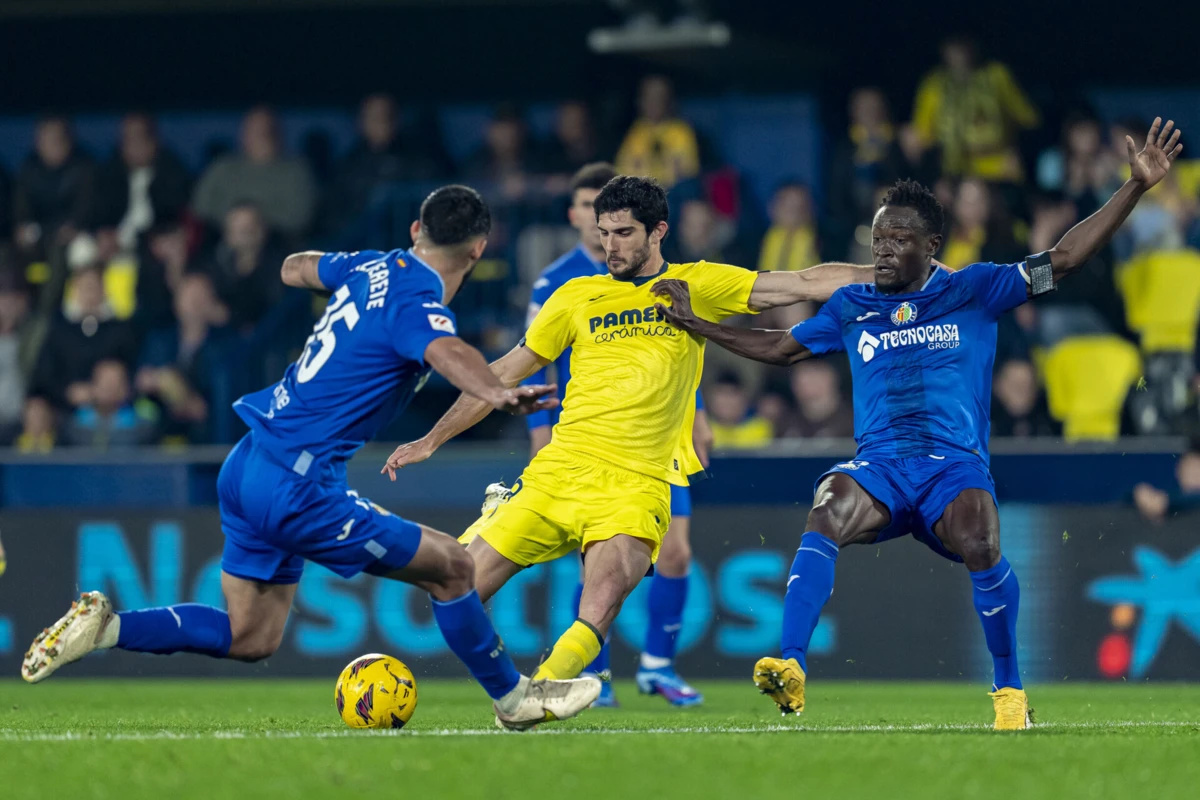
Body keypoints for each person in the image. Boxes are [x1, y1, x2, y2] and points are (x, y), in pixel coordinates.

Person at [650, 118, 1184, 731]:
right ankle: (791, 664)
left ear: (932, 246)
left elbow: (1061, 260)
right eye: (877, 238)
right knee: (827, 503)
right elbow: (781, 349)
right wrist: (697, 325)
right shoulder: (852, 306)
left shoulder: (976, 289)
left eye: (898, 239)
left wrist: (1134, 188)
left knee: (982, 535)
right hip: (879, 467)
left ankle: (1008, 692)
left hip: (951, 467)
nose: (882, 250)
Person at [21, 185, 602, 731]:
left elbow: (293, 266)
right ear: (478, 250)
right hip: (296, 485)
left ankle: (107, 627)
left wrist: (337, 275)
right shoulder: (416, 301)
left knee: (252, 635)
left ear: (415, 227)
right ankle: (514, 699)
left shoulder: (370, 265)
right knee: (453, 569)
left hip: (248, 460)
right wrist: (495, 392)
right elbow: (446, 348)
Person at [381, 176, 873, 719]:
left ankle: (536, 694)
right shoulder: (575, 296)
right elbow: (501, 374)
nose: (609, 245)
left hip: (637, 482)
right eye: (603, 232)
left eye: (623, 232)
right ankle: (515, 686)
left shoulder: (695, 284)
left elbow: (800, 282)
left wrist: (896, 275)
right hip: (559, 470)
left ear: (658, 231)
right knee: (458, 583)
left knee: (606, 592)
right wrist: (432, 438)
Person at [518, 163, 709, 707]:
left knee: (676, 552)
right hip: (589, 444)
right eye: (581, 206)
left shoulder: (651, 270)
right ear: (576, 215)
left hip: (655, 439)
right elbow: (535, 361)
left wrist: (696, 414)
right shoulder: (561, 280)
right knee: (596, 556)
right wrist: (539, 432)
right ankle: (594, 675)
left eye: (595, 208)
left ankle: (656, 667)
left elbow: (669, 350)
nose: (588, 218)